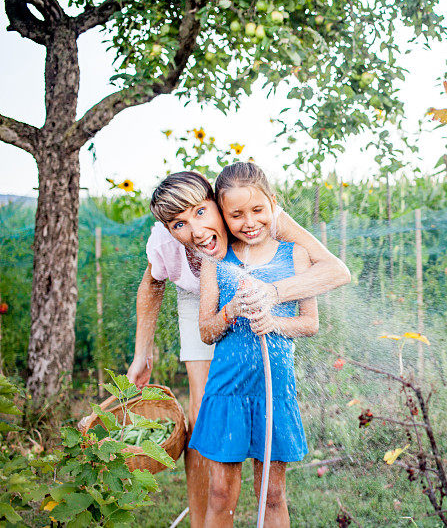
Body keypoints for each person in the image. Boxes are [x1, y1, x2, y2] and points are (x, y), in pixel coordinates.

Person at [126, 170, 349, 527]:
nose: (196, 231)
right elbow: (157, 291)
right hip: (196, 297)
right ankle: (202, 518)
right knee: (202, 414)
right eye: (180, 223)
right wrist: (143, 353)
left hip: (262, 300)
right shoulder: (173, 243)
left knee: (272, 487)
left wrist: (272, 298)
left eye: (201, 213)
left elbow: (334, 275)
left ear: (217, 205)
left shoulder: (264, 220)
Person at [190, 162, 316, 527]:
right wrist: (230, 311)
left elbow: (310, 323)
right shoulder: (217, 261)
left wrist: (274, 321)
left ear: (272, 204)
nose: (249, 222)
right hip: (227, 390)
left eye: (258, 210)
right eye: (237, 214)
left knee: (272, 495)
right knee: (220, 494)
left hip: (273, 392)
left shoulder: (294, 255)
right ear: (222, 215)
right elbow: (206, 331)